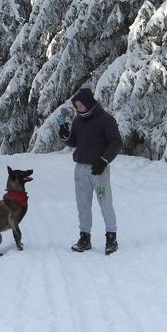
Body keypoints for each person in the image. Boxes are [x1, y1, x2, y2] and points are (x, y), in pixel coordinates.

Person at [59, 87, 122, 255]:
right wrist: (65, 135)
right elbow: (73, 142)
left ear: (87, 103)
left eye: (79, 106)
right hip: (80, 169)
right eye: (76, 106)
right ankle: (84, 238)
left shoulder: (106, 120)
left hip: (98, 169)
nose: (77, 109)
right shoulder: (78, 121)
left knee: (105, 203)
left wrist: (104, 160)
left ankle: (111, 238)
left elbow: (116, 142)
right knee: (83, 205)